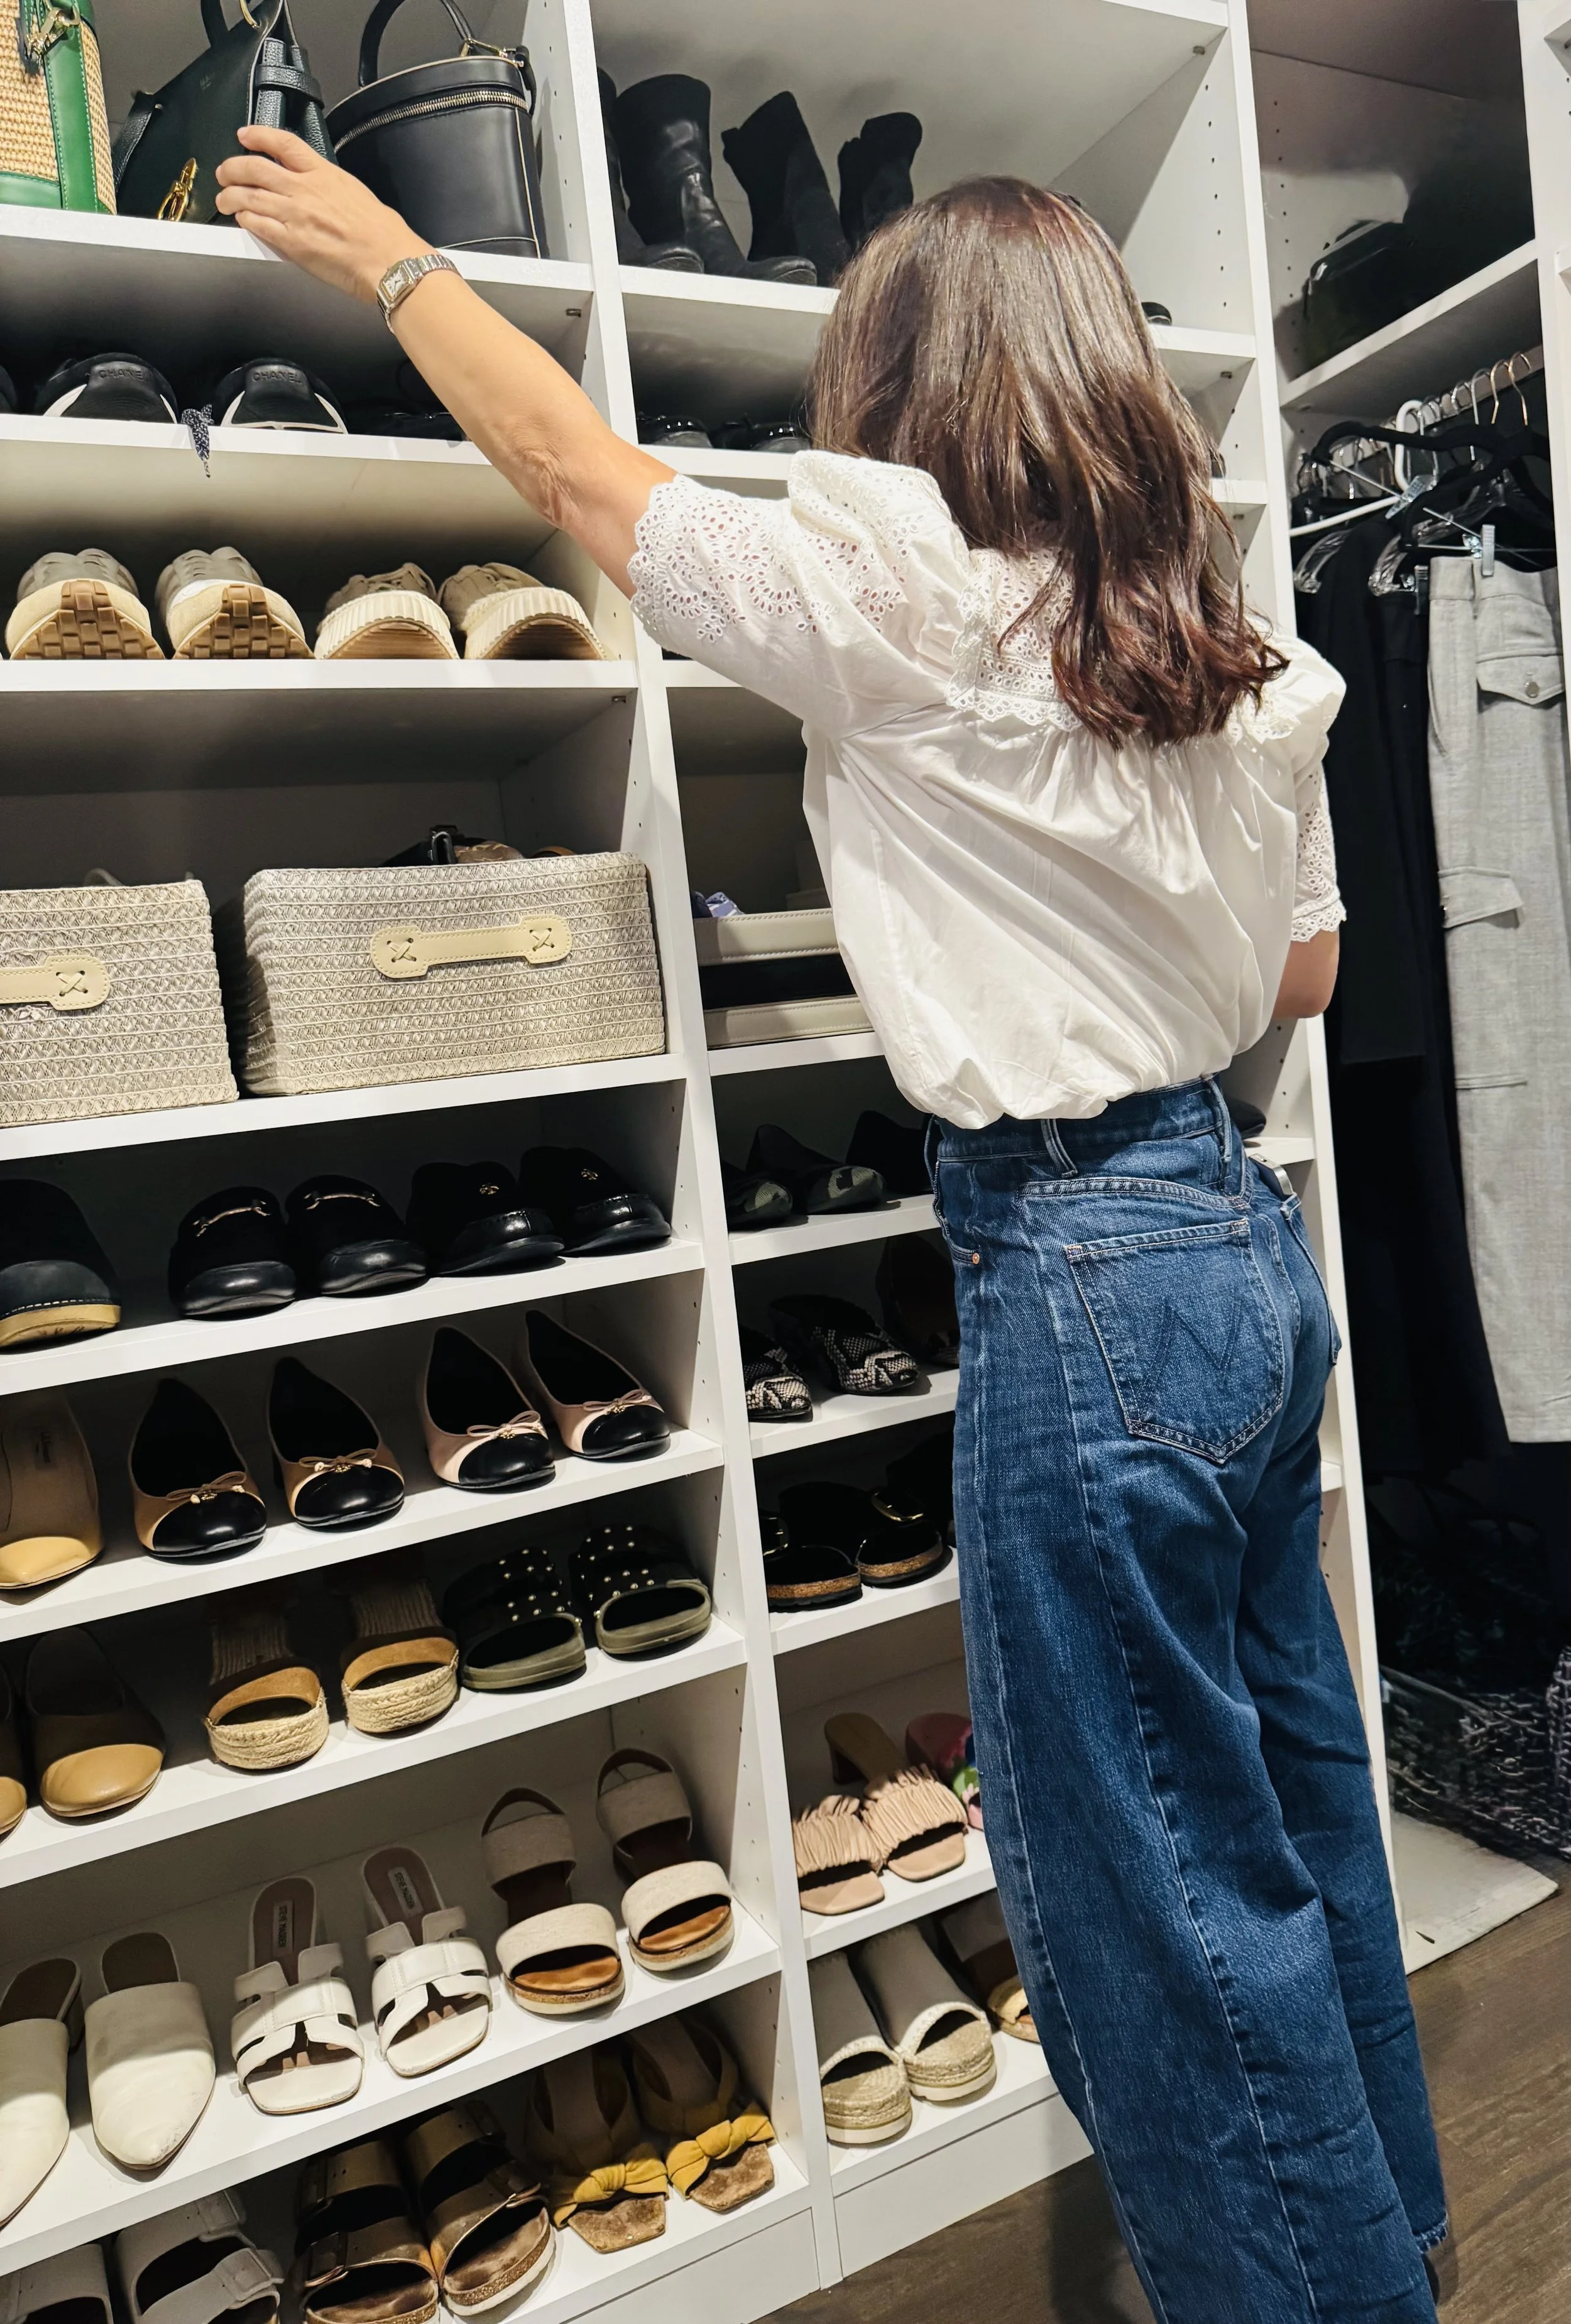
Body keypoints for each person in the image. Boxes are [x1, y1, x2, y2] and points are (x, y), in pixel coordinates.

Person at [216, 129, 1445, 2323]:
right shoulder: (1234, 655)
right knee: (1289, 1798)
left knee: (1160, 1882)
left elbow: (588, 483)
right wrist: (1108, 902)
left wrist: (395, 259)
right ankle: (1387, 2244)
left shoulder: (901, 588)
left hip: (1074, 1262)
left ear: (907, 380)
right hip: (1238, 1250)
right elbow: (1302, 981)